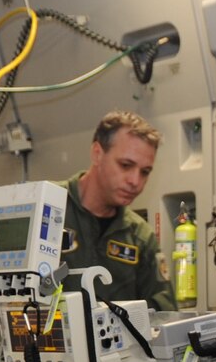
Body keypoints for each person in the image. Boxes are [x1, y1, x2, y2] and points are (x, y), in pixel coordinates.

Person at [56, 110, 174, 311]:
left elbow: (163, 312)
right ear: (97, 153)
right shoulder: (46, 206)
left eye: (145, 172)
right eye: (126, 165)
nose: (135, 181)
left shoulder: (140, 237)